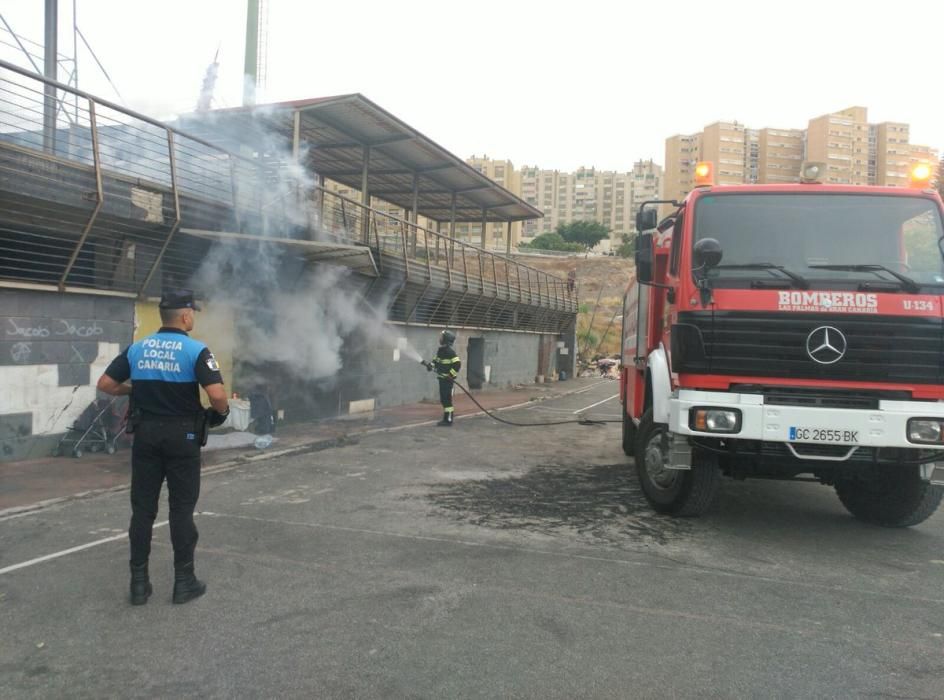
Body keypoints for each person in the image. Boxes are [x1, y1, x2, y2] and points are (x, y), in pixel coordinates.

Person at [97, 290, 229, 606]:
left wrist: (137, 389)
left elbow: (105, 384)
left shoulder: (138, 348)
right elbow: (217, 394)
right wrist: (219, 414)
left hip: (145, 436)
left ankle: (139, 585)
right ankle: (184, 583)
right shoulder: (197, 350)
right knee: (181, 510)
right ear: (185, 316)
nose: (193, 316)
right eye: (192, 312)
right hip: (182, 437)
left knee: (142, 511)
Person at [426, 330, 461, 427]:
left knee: (446, 399)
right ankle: (446, 419)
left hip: (447, 381)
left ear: (446, 339)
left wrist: (451, 375)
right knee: (443, 399)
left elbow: (457, 364)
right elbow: (436, 361)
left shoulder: (450, 352)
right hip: (442, 379)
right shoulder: (441, 351)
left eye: (441, 337)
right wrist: (430, 366)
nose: (439, 338)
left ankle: (448, 419)